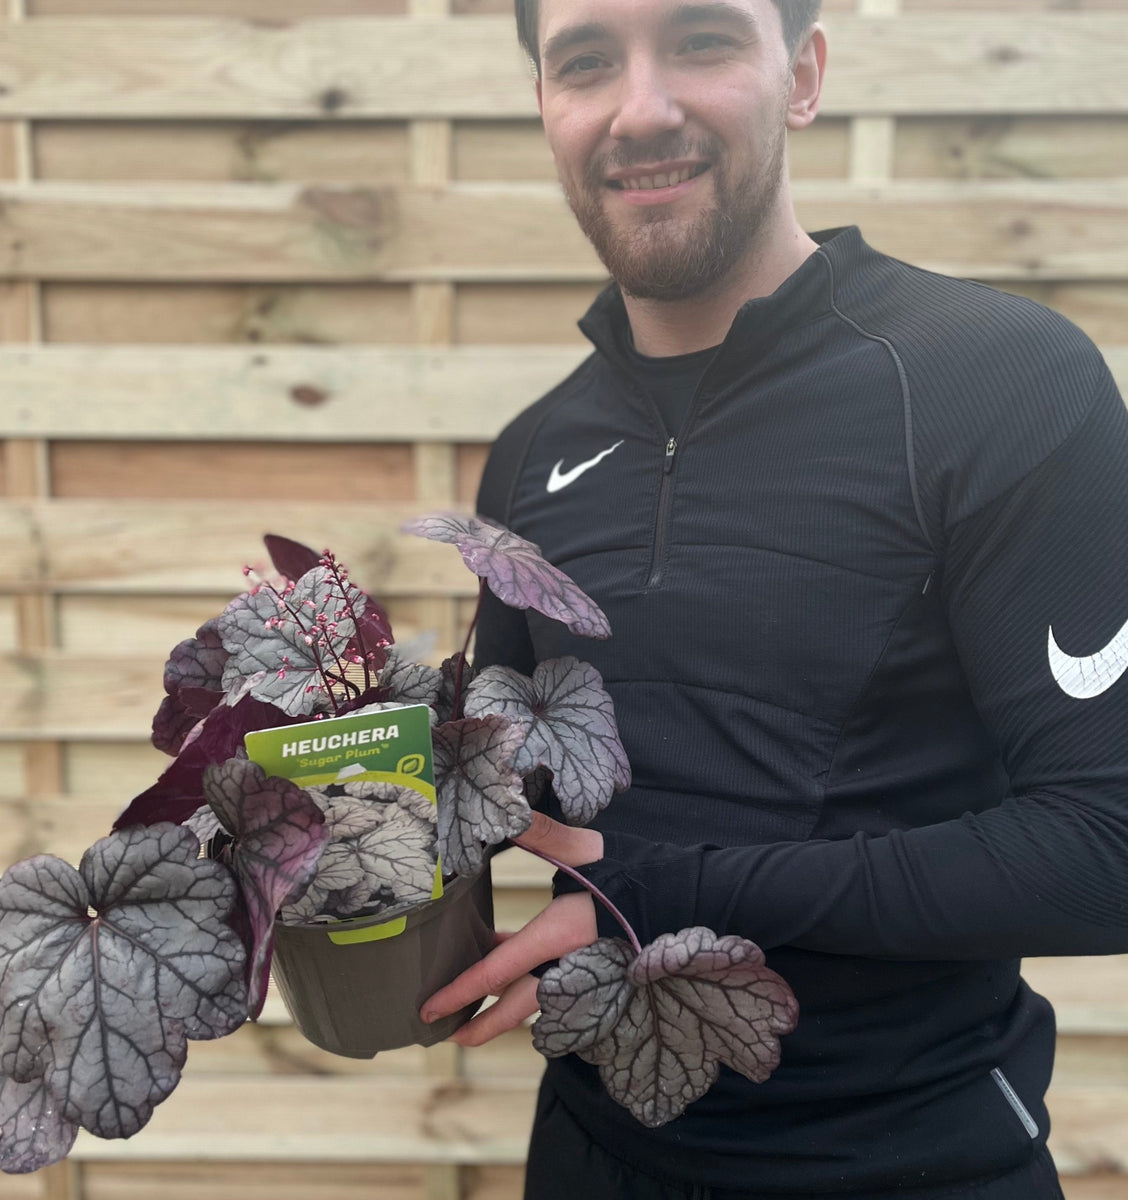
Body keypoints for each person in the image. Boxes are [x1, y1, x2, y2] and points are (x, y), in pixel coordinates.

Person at [419, 1, 1128, 1196]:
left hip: (912, 1160)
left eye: (700, 40)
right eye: (586, 61)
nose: (641, 107)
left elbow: (1109, 846)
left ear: (800, 75)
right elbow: (510, 789)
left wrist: (671, 893)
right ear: (547, 106)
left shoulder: (996, 382)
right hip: (594, 1151)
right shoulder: (532, 453)